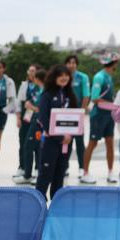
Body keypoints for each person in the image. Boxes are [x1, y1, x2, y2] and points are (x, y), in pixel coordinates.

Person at [34, 65, 78, 199]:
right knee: (45, 173)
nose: (64, 78)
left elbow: (76, 118)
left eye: (66, 75)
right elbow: (43, 118)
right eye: (61, 75)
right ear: (54, 77)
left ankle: (56, 203)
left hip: (67, 142)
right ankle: (39, 202)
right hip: (51, 141)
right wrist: (59, 136)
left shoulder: (70, 95)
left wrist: (70, 135)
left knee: (60, 174)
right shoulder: (47, 95)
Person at [80, 54, 119, 184]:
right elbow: (95, 98)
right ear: (114, 63)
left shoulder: (109, 76)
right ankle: (85, 172)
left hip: (109, 114)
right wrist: (114, 105)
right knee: (93, 143)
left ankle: (111, 172)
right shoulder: (99, 77)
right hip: (98, 115)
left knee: (110, 143)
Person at [16, 68, 46, 184]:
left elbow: (40, 109)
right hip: (34, 121)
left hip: (39, 123)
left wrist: (31, 107)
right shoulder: (40, 89)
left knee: (32, 146)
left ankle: (30, 174)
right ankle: (29, 173)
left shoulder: (44, 91)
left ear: (37, 79)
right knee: (30, 146)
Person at [64, 54, 91, 178]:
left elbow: (86, 95)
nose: (71, 65)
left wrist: (82, 112)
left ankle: (81, 168)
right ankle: (64, 167)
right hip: (64, 114)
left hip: (77, 114)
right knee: (66, 142)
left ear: (77, 64)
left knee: (79, 142)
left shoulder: (82, 77)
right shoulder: (63, 76)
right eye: (69, 62)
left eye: (74, 63)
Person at [13, 64, 39, 182]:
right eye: (29, 71)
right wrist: (18, 118)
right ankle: (22, 167)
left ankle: (37, 168)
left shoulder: (41, 85)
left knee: (37, 143)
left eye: (33, 71)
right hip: (26, 117)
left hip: (37, 117)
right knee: (23, 142)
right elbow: (19, 102)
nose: (31, 73)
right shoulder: (24, 85)